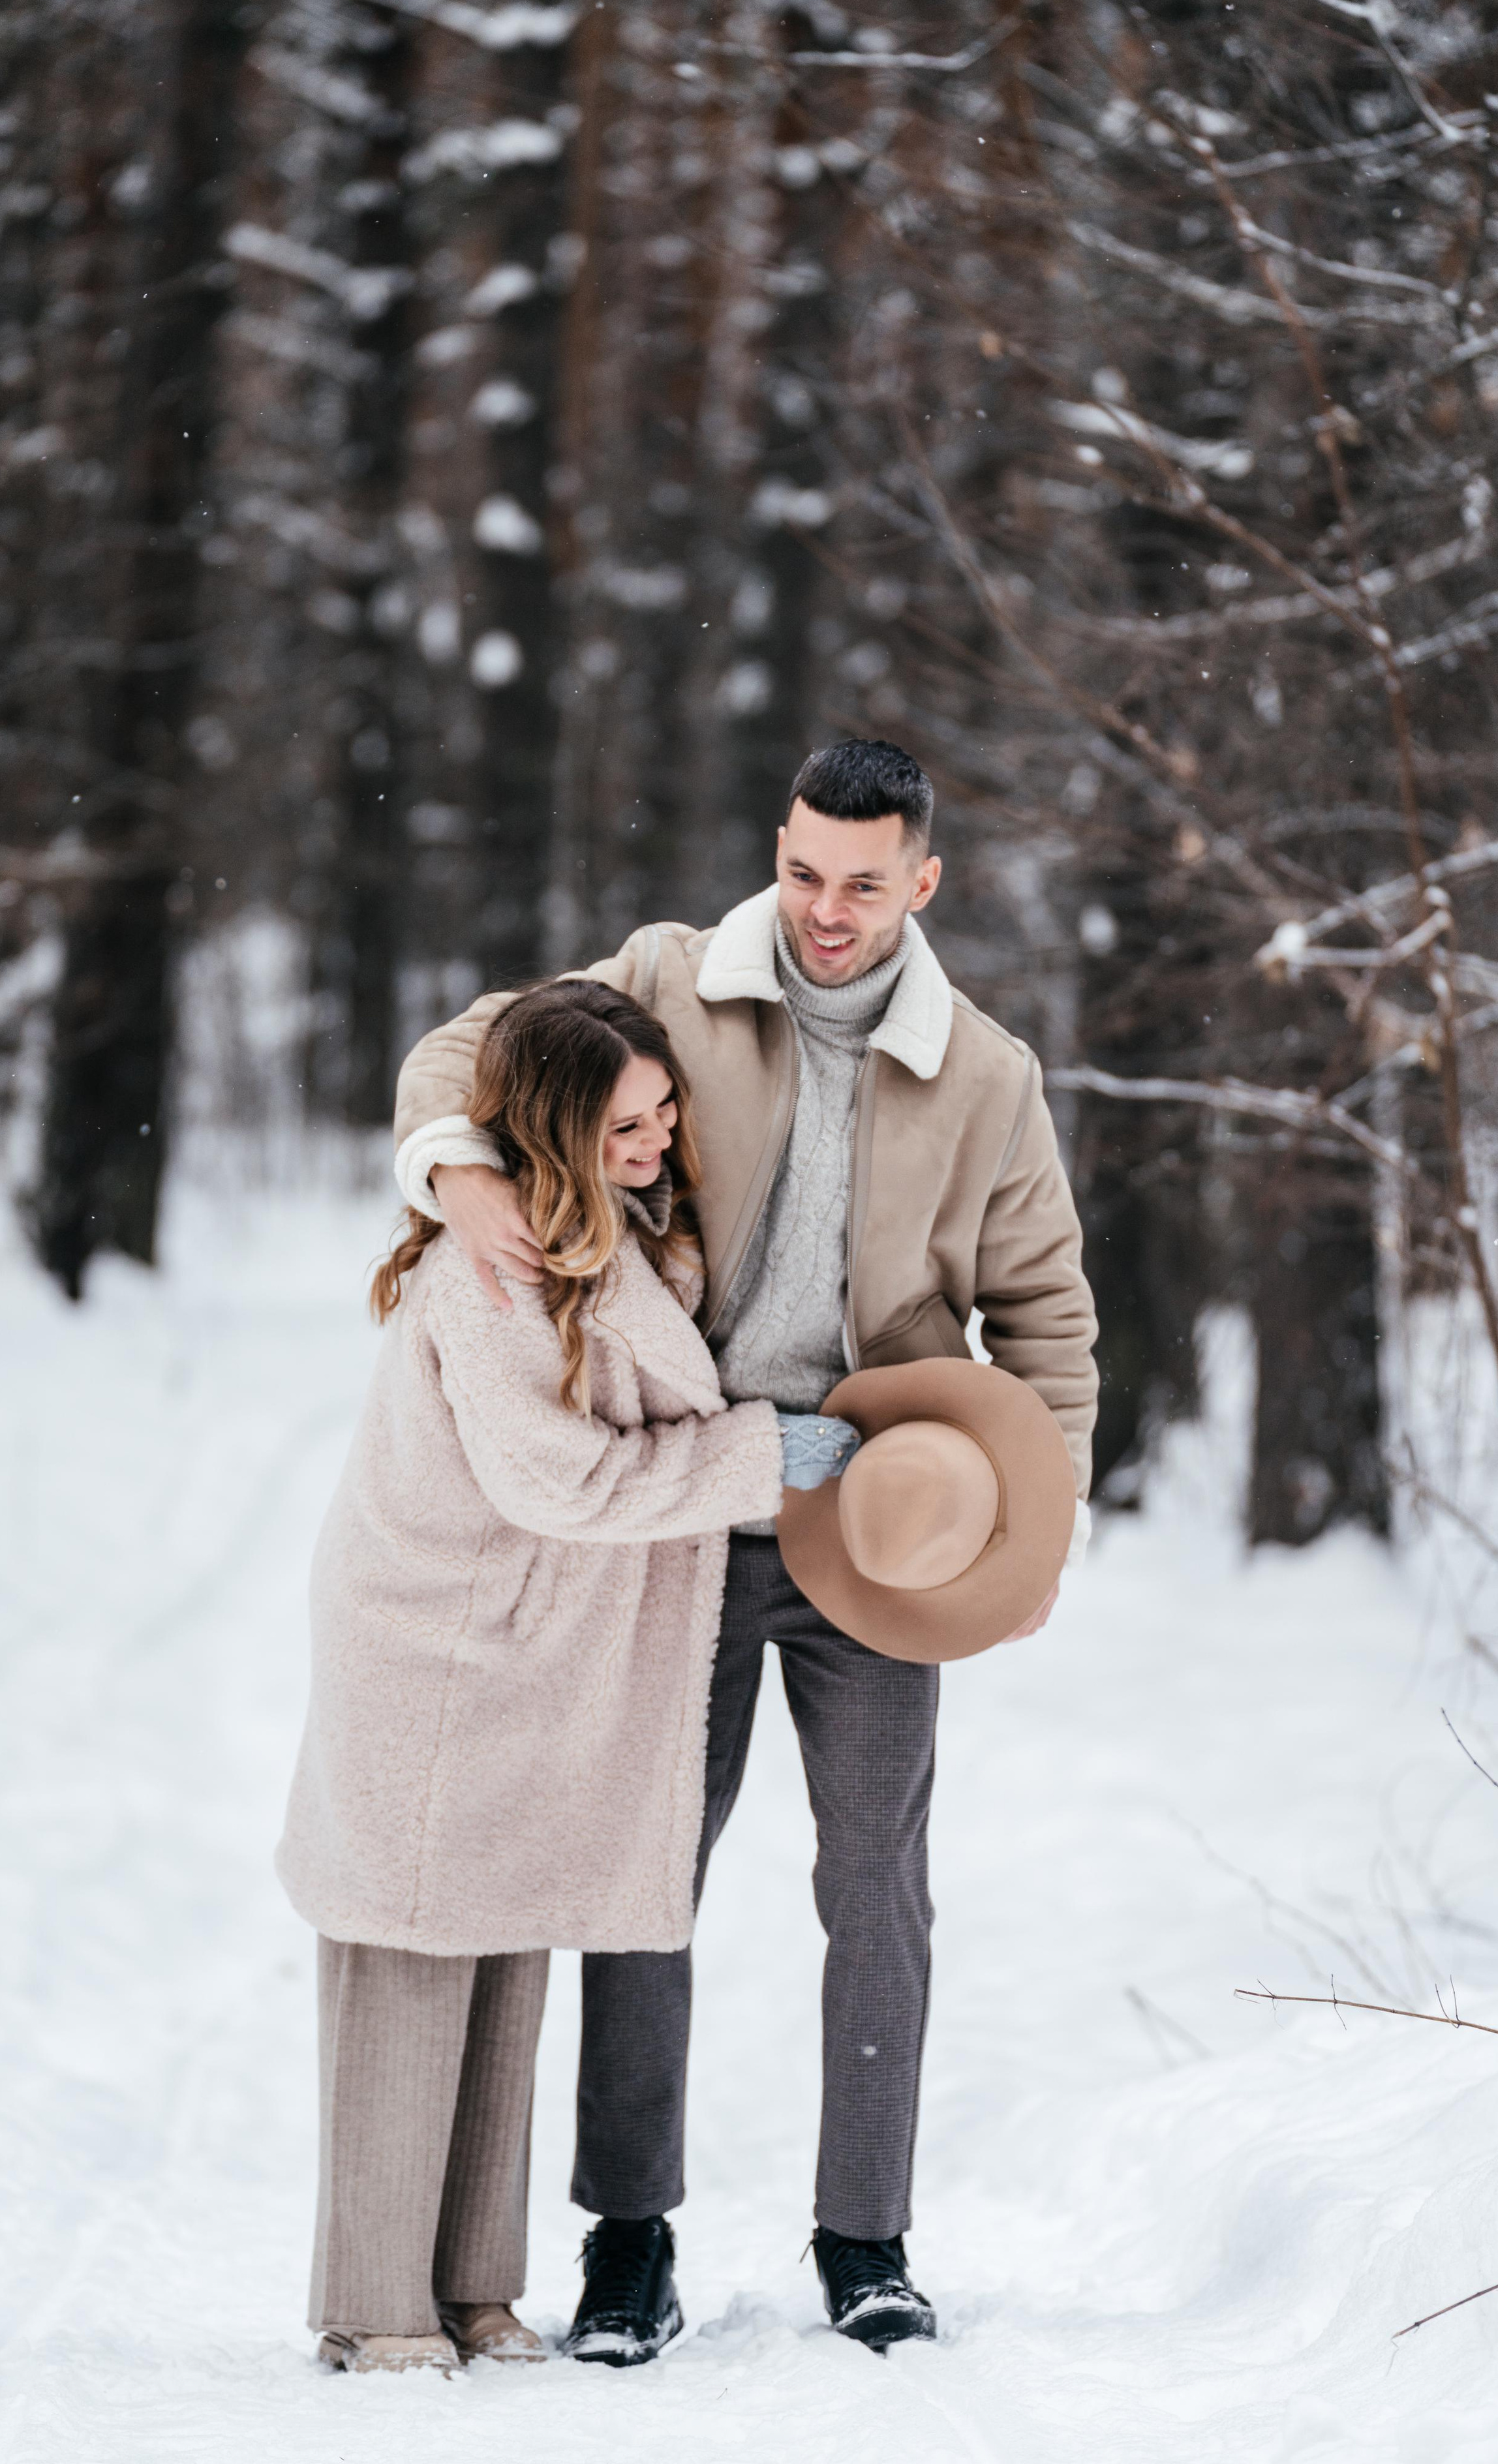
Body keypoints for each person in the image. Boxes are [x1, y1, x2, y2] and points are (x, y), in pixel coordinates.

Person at [391, 738, 1099, 2358]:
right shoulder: (666, 976)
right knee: (648, 1875)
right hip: (684, 1497)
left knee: (876, 1882)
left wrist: (1034, 1516)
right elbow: (465, 1047)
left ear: (921, 882)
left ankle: (867, 2236)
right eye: (801, 870)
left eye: (862, 882)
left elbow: (1044, 1311)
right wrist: (456, 1163)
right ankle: (627, 2239)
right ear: (774, 848)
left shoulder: (986, 1074)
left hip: (885, 1516)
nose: (823, 911)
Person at [276, 980, 858, 2375]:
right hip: (441, 1641)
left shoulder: (620, 1235)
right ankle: (377, 2302)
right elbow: (557, 1475)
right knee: (408, 1966)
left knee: (504, 1960)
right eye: (623, 1125)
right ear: (547, 1128)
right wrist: (748, 1456)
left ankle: (474, 2286)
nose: (655, 1140)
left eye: (662, 1113)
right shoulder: (489, 1272)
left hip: (530, 1656)